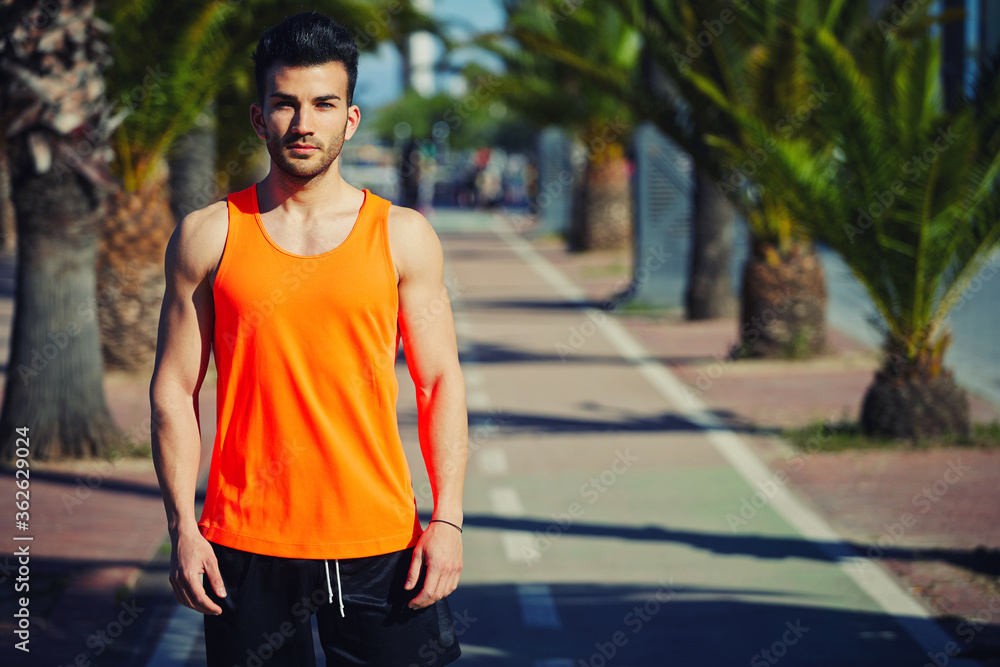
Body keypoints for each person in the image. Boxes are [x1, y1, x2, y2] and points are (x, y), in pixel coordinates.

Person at [149, 12, 467, 667]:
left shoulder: (403, 236)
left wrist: (449, 520)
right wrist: (184, 526)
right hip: (244, 545)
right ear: (259, 116)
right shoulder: (209, 235)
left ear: (349, 118)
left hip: (380, 543)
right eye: (286, 104)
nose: (304, 123)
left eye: (323, 104)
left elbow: (439, 383)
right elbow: (175, 389)